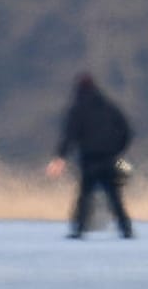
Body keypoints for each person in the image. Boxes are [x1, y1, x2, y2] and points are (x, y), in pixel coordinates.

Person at [47, 74, 134, 240]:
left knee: (84, 196)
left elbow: (69, 135)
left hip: (89, 160)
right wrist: (117, 149)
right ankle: (126, 229)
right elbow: (125, 130)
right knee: (114, 196)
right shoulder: (109, 107)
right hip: (109, 159)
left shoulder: (78, 109)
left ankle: (78, 230)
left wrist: (60, 157)